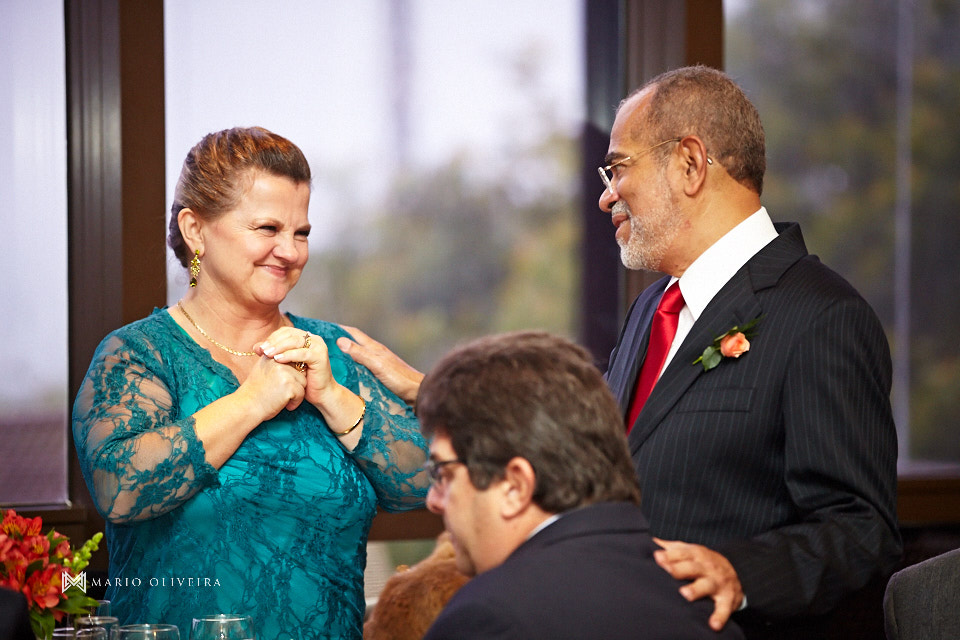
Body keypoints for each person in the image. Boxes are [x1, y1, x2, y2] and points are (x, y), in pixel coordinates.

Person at [72, 126, 430, 640]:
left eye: (301, 232)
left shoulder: (333, 351)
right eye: (267, 228)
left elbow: (425, 482)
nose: (289, 251)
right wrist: (250, 402)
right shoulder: (137, 355)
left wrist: (334, 397)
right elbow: (122, 487)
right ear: (195, 230)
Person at [597, 66, 901, 638]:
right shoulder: (650, 311)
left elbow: (860, 530)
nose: (606, 194)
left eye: (618, 167)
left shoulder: (823, 317)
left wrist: (738, 573)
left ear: (690, 163)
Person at [415, 331, 745, 640]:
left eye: (443, 473)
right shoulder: (707, 610)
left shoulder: (486, 617)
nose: (434, 500)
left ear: (515, 486)